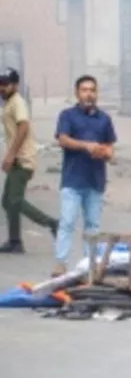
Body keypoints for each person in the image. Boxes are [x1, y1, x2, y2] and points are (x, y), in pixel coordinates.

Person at [52, 75, 116, 276]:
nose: (89, 94)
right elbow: (63, 139)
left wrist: (105, 153)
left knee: (93, 226)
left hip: (95, 180)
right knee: (67, 222)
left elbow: (110, 148)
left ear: (96, 93)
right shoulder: (68, 116)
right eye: (84, 90)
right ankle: (60, 263)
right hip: (72, 180)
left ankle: (90, 266)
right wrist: (86, 145)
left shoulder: (104, 119)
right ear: (77, 93)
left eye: (92, 90)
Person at [0, 69, 57, 254]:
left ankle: (51, 223)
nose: (2, 87)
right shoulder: (9, 102)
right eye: (1, 84)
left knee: (14, 200)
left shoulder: (18, 102)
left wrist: (11, 154)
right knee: (7, 201)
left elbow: (23, 127)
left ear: (15, 85)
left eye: (6, 84)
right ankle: (15, 241)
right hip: (17, 158)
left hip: (23, 160)